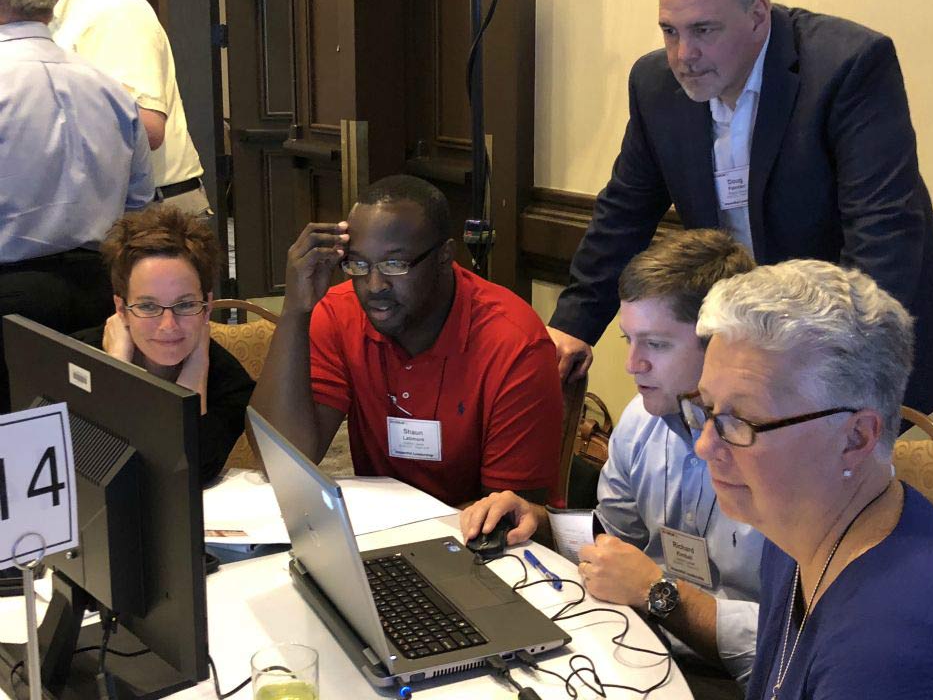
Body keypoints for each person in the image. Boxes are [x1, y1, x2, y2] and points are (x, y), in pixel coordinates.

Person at [546, 0, 933, 417]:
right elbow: (624, 211)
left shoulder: (848, 66)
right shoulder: (654, 85)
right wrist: (575, 324)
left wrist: (833, 378)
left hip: (861, 335)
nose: (683, 54)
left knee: (828, 481)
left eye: (704, 30)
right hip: (747, 334)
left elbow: (882, 235)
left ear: (758, 14)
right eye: (669, 31)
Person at [692, 260, 933, 699]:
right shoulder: (797, 532)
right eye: (707, 408)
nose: (705, 445)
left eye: (743, 420)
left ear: (855, 438)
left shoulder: (892, 654)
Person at [461, 230, 763, 690]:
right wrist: (539, 522)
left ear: (721, 343)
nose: (632, 365)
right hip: (645, 645)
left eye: (656, 345)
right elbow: (616, 539)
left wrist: (660, 596)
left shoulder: (782, 450)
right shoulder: (643, 419)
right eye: (629, 340)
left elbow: (793, 641)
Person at [251, 175, 562, 507]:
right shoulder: (342, 313)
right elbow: (280, 462)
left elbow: (509, 516)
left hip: (482, 548)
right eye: (358, 264)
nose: (374, 285)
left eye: (394, 265)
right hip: (386, 538)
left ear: (445, 257)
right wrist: (295, 312)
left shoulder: (514, 343)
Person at [0, 0, 152, 412]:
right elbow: (139, 203)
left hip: (10, 297)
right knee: (90, 437)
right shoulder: (109, 89)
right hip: (98, 289)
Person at [0, 0, 211, 215]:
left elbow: (147, 127)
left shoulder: (112, 8)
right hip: (108, 206)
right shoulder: (50, 14)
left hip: (155, 210)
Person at [76, 206, 254, 486]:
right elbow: (91, 469)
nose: (168, 324)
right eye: (148, 306)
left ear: (206, 307)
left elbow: (187, 476)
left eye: (185, 305)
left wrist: (194, 375)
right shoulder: (75, 356)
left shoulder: (229, 382)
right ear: (121, 309)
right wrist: (117, 369)